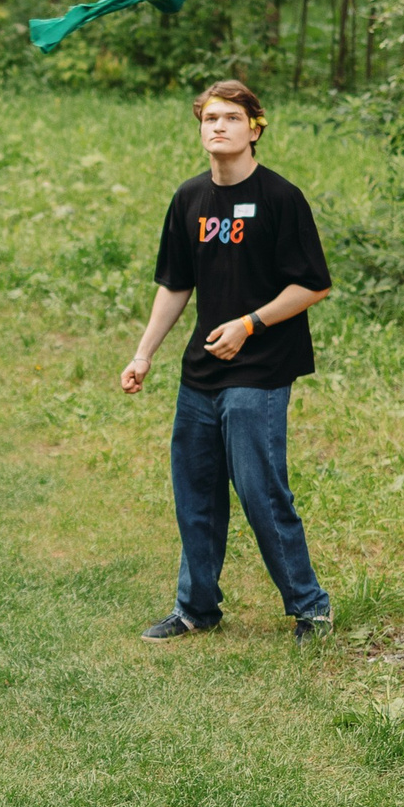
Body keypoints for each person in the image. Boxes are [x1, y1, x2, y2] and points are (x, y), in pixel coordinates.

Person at [118, 79, 335, 642]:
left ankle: (310, 607)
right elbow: (175, 285)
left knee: (262, 493)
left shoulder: (280, 198)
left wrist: (249, 324)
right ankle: (196, 608)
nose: (218, 126)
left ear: (255, 128)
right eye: (210, 118)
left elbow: (312, 285)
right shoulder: (189, 199)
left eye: (231, 118)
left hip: (261, 371)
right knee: (195, 492)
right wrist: (143, 355)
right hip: (201, 373)